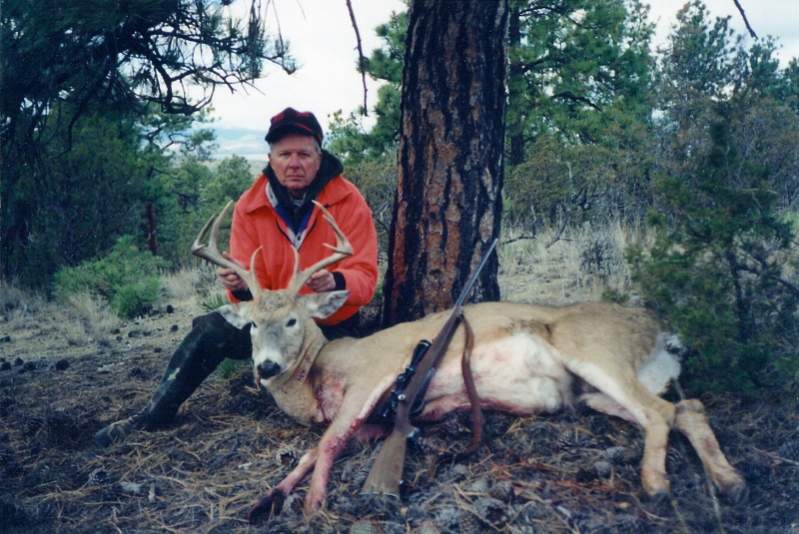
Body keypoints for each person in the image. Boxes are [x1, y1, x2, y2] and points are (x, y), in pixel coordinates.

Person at [95, 107, 379, 446]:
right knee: (210, 329)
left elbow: (365, 277)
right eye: (285, 154)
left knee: (339, 389)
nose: (294, 162)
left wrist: (337, 282)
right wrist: (239, 286)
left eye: (304, 154)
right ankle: (154, 414)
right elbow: (242, 280)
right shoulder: (250, 205)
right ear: (270, 158)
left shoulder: (349, 202)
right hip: (267, 323)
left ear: (319, 156)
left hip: (325, 321)